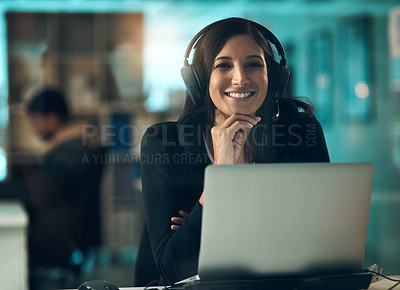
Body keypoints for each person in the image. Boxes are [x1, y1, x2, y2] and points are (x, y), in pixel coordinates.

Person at [139, 17, 330, 286]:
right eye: (223, 65)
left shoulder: (302, 133)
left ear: (273, 77)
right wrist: (221, 177)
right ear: (201, 79)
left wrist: (201, 221)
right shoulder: (164, 143)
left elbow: (323, 242)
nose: (240, 79)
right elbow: (176, 269)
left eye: (253, 64)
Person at [24, 88, 103, 275]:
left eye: (35, 121)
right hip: (66, 238)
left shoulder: (71, 152)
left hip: (60, 243)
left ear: (52, 119)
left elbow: (37, 193)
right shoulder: (72, 146)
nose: (33, 128)